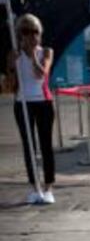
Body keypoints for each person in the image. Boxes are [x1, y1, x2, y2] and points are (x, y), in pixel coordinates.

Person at [5, 14, 56, 205]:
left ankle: (48, 187)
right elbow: (10, 86)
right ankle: (35, 188)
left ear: (40, 33)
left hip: (43, 102)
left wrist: (33, 54)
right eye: (26, 32)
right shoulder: (14, 55)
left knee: (46, 145)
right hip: (23, 103)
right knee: (29, 147)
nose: (31, 36)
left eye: (35, 31)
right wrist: (11, 67)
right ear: (19, 34)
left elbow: (40, 75)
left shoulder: (46, 52)